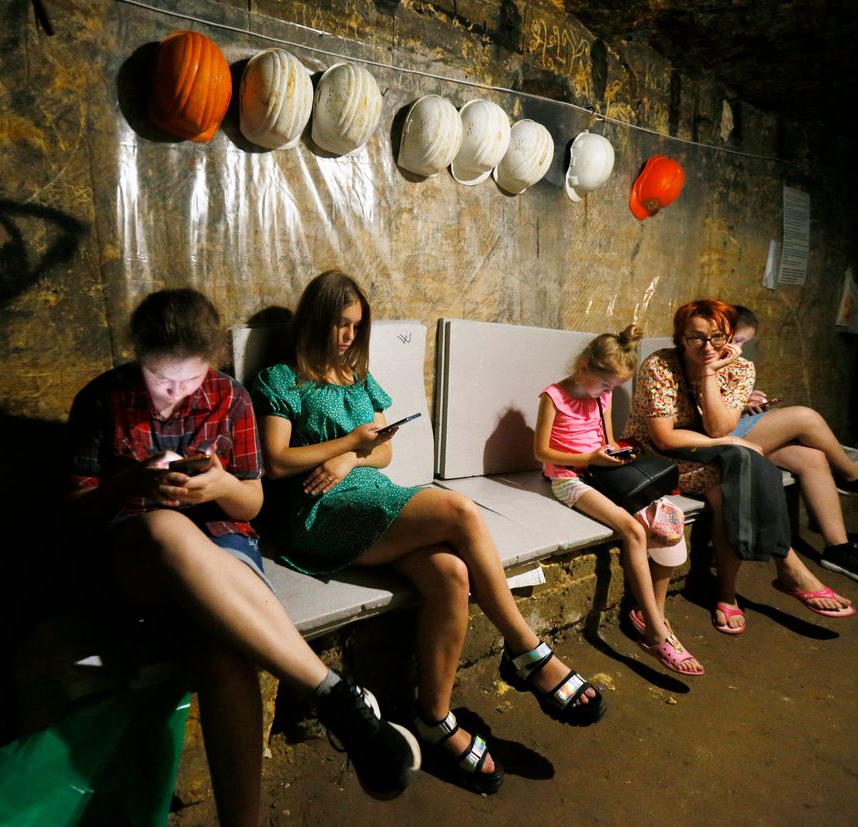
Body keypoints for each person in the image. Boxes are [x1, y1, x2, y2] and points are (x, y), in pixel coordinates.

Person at [64, 289, 419, 824]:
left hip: (224, 542)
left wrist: (220, 486)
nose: (174, 393)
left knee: (222, 643)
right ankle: (332, 694)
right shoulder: (103, 399)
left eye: (189, 379)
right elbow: (74, 514)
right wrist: (133, 482)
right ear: (139, 354)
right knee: (165, 527)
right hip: (138, 556)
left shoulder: (230, 397)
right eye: (162, 377)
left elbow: (251, 501)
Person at [252, 270, 605, 797]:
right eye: (338, 324)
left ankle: (433, 719)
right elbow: (277, 462)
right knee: (460, 511)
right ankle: (529, 653)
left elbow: (387, 448)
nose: (347, 336)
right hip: (316, 512)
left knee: (450, 573)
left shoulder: (358, 374)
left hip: (369, 497)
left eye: (355, 326)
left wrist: (353, 457)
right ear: (313, 321)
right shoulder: (282, 378)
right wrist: (349, 443)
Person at [623, 299, 857, 635]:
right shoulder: (660, 365)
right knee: (743, 467)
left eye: (717, 337)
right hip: (656, 457)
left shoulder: (740, 369)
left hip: (711, 450)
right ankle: (783, 569)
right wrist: (729, 442)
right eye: (696, 339)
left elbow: (719, 427)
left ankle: (729, 591)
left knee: (732, 479)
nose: (708, 347)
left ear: (729, 336)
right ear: (680, 338)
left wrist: (708, 373)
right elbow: (664, 438)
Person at [534, 325, 704, 676]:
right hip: (568, 477)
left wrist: (616, 454)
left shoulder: (602, 395)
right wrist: (591, 459)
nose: (608, 392)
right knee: (632, 530)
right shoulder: (553, 396)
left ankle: (649, 615)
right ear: (584, 367)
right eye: (605, 384)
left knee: (667, 520)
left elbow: (607, 438)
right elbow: (541, 452)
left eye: (613, 387)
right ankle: (658, 633)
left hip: (602, 472)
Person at [726, 305, 858, 584]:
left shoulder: (735, 363)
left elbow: (725, 400)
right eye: (737, 341)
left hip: (734, 428)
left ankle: (838, 548)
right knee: (805, 417)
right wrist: (738, 402)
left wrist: (745, 401)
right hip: (710, 439)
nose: (740, 349)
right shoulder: (700, 356)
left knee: (812, 458)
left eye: (745, 343)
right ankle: (855, 476)